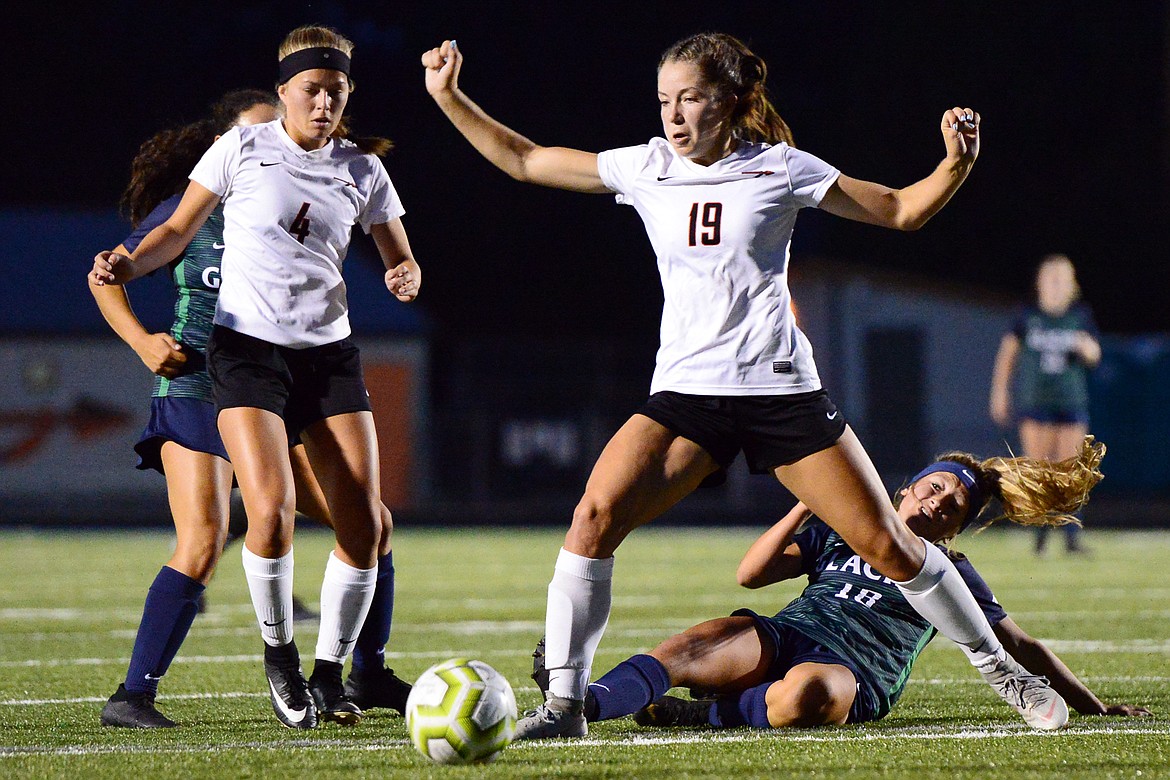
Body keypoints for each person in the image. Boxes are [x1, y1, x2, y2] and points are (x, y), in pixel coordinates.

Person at [421, 32, 1066, 739]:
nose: (673, 114)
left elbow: (900, 211)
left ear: (729, 101)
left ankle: (1005, 673)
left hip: (780, 393)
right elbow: (525, 159)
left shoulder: (781, 169)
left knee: (889, 546)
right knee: (593, 520)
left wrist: (955, 164)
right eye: (665, 99)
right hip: (685, 397)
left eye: (689, 98)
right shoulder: (647, 167)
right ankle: (567, 707)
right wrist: (450, 97)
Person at [91, 25, 420, 730]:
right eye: (310, 90)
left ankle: (341, 673)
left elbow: (398, 251)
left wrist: (404, 271)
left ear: (348, 94)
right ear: (282, 95)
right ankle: (265, 662)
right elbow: (168, 234)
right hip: (233, 362)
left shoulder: (361, 168)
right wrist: (132, 281)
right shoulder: (238, 153)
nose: (323, 102)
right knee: (249, 521)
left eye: (336, 91)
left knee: (368, 523)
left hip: (327, 359)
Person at [544, 436, 1150, 730]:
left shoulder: (952, 574)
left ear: (959, 527)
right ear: (908, 487)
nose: (939, 504)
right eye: (935, 488)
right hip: (785, 637)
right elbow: (751, 574)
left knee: (810, 695)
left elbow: (1022, 648)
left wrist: (1093, 706)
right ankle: (579, 702)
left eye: (954, 507)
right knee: (697, 642)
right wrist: (806, 506)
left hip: (851, 674)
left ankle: (693, 717)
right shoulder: (842, 531)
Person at [990, 254, 1100, 556]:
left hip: (1070, 400)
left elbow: (1095, 355)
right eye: (1051, 278)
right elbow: (1007, 356)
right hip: (1036, 402)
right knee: (1039, 470)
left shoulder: (1079, 316)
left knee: (1069, 471)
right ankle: (1040, 535)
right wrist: (999, 393)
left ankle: (1071, 537)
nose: (1056, 285)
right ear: (1040, 283)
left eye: (1062, 279)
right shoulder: (1027, 315)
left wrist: (1085, 347)